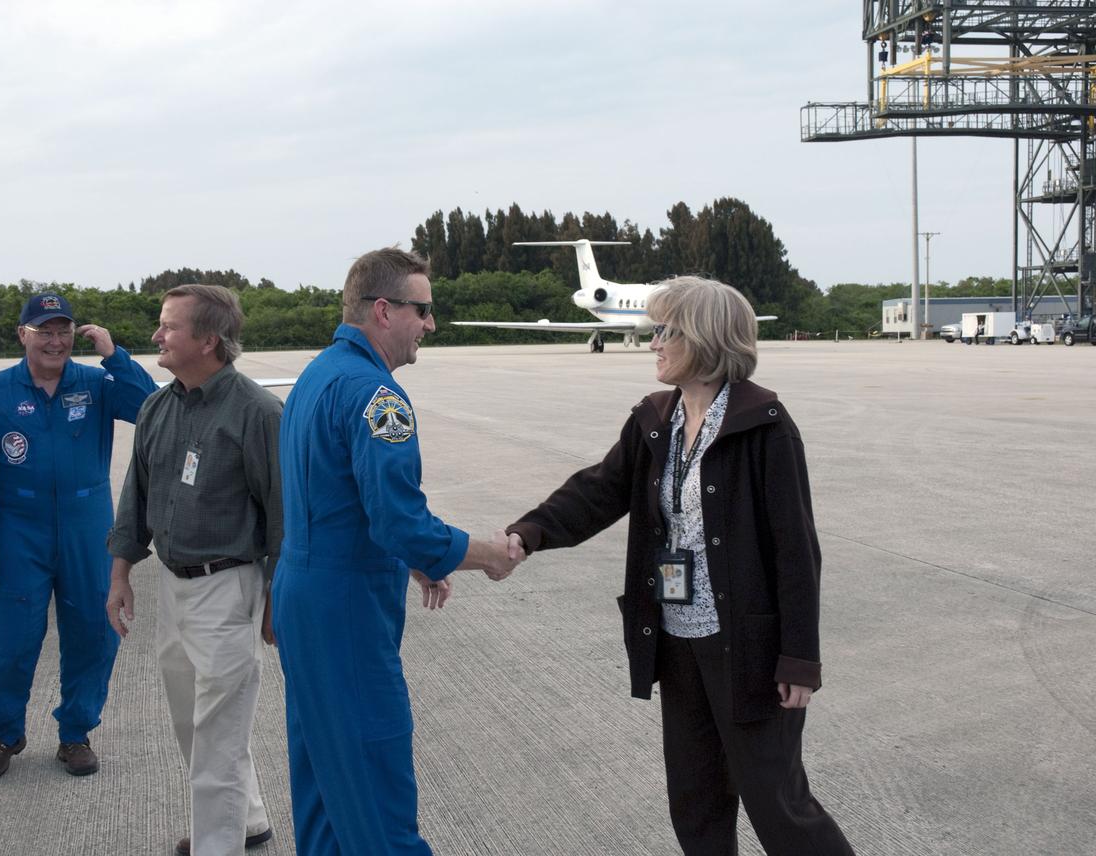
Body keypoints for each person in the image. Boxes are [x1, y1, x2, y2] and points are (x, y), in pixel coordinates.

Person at [504, 277, 856, 856]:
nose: (652, 342)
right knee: (694, 802)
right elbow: (599, 490)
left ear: (703, 337)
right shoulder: (654, 419)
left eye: (664, 330)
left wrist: (800, 657)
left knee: (778, 806)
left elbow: (796, 549)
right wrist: (526, 534)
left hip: (748, 650)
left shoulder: (764, 425)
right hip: (676, 640)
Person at [271, 247, 519, 856]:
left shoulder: (317, 374)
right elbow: (399, 520)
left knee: (327, 780)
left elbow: (337, 497)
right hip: (346, 608)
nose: (430, 325)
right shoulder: (378, 395)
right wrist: (482, 552)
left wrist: (416, 560)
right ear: (384, 310)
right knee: (376, 780)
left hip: (304, 593)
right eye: (423, 310)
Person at [106, 284, 282, 856]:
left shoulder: (256, 412)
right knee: (193, 726)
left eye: (168, 327)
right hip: (173, 591)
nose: (157, 336)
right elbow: (135, 498)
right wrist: (120, 574)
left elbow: (285, 514)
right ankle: (249, 820)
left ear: (208, 341)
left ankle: (217, 846)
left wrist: (278, 596)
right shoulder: (157, 406)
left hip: (229, 588)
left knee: (217, 738)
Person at [0, 292, 157, 781]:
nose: (55, 340)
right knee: (10, 642)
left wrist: (116, 356)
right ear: (23, 334)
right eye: (44, 330)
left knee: (93, 633)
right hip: (18, 528)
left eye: (63, 330)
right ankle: (5, 733)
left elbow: (151, 407)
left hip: (87, 527)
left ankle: (76, 734)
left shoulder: (96, 383)